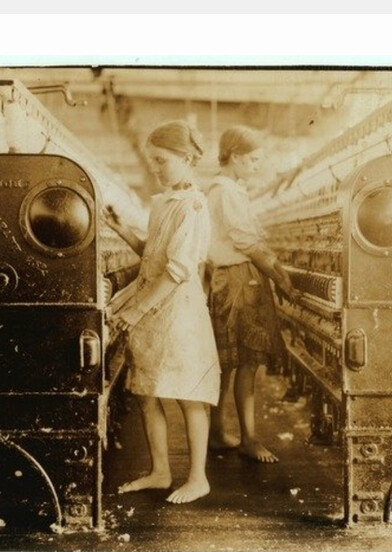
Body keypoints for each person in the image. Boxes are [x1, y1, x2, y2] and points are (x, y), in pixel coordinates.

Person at [104, 119, 220, 504]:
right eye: (152, 160)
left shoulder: (193, 207)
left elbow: (177, 270)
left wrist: (136, 311)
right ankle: (160, 471)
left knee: (189, 395)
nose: (155, 168)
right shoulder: (164, 203)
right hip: (153, 308)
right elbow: (152, 255)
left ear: (186, 158)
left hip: (178, 311)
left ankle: (198, 478)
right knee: (146, 391)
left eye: (162, 160)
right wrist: (122, 229)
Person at [206, 126, 300, 463]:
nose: (258, 166)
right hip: (239, 282)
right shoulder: (226, 192)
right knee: (246, 362)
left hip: (228, 279)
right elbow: (246, 241)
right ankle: (248, 438)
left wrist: (273, 269)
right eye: (254, 159)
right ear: (235, 156)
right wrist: (278, 274)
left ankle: (218, 432)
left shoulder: (225, 190)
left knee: (227, 363)